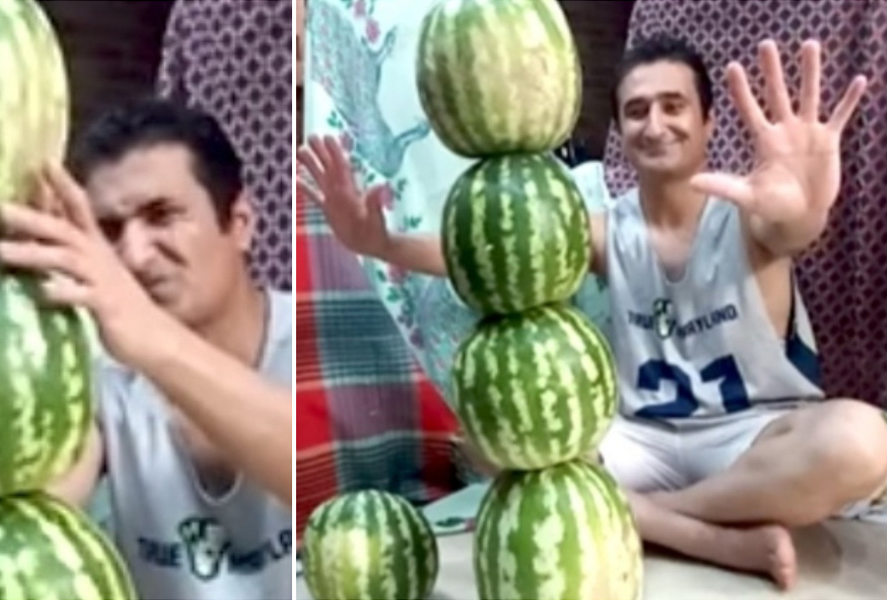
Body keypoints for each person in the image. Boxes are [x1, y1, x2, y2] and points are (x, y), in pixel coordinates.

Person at [297, 34, 887, 590]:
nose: (654, 124)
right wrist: (380, 245)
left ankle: (660, 523)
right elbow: (491, 251)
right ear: (622, 129)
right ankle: (708, 539)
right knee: (499, 447)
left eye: (673, 105)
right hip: (643, 442)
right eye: (636, 111)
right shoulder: (606, 230)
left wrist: (807, 210)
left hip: (754, 440)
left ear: (708, 120)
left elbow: (791, 225)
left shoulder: (751, 214)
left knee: (864, 442)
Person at [0, 98, 293, 600]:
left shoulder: (329, 334)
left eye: (162, 216)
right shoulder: (106, 384)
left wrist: (150, 337)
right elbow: (17, 515)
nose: (134, 257)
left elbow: (335, 481)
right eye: (110, 231)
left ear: (242, 222)